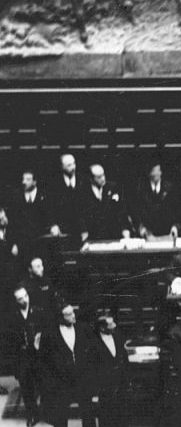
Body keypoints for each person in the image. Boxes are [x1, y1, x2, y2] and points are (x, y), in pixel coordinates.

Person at [39, 303, 97, 427]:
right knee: (60, 416)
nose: (73, 315)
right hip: (61, 383)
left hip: (82, 379)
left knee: (88, 414)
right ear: (60, 317)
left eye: (73, 312)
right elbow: (43, 361)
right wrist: (52, 383)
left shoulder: (83, 328)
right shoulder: (49, 334)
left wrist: (90, 376)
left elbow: (93, 352)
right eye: (69, 314)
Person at [8, 286, 45, 425]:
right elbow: (9, 342)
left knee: (42, 384)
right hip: (22, 356)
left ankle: (44, 412)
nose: (24, 300)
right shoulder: (12, 316)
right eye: (20, 298)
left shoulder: (38, 311)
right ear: (16, 300)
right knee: (26, 387)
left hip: (38, 355)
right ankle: (32, 415)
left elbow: (46, 332)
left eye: (25, 296)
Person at [79, 164, 131, 242]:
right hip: (93, 235)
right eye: (99, 177)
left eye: (103, 175)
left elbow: (121, 211)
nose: (103, 178)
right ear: (91, 179)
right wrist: (84, 231)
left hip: (113, 233)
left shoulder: (113, 187)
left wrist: (125, 229)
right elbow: (80, 214)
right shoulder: (83, 191)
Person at [93, 311, 128, 427]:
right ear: (102, 328)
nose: (115, 325)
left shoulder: (118, 336)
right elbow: (92, 368)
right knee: (107, 420)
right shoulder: (93, 344)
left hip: (120, 387)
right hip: (105, 390)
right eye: (111, 324)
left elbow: (124, 359)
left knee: (122, 419)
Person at [8, 170, 51, 258]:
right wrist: (14, 243)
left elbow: (50, 217)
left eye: (28, 180)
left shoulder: (45, 196)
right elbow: (12, 222)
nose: (24, 182)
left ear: (34, 182)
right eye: (23, 179)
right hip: (22, 244)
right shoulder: (16, 197)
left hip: (42, 241)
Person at [131, 163, 180, 238]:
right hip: (148, 235)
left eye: (158, 171)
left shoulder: (170, 189)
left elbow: (177, 211)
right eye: (153, 171)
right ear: (149, 173)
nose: (155, 174)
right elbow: (136, 213)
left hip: (168, 234)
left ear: (161, 172)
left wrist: (176, 227)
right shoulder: (140, 190)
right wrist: (141, 228)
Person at [49, 154, 84, 241]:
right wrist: (53, 225)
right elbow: (50, 207)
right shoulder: (54, 184)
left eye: (74, 164)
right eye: (69, 165)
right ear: (62, 167)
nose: (73, 167)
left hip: (83, 229)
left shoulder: (83, 180)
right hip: (63, 230)